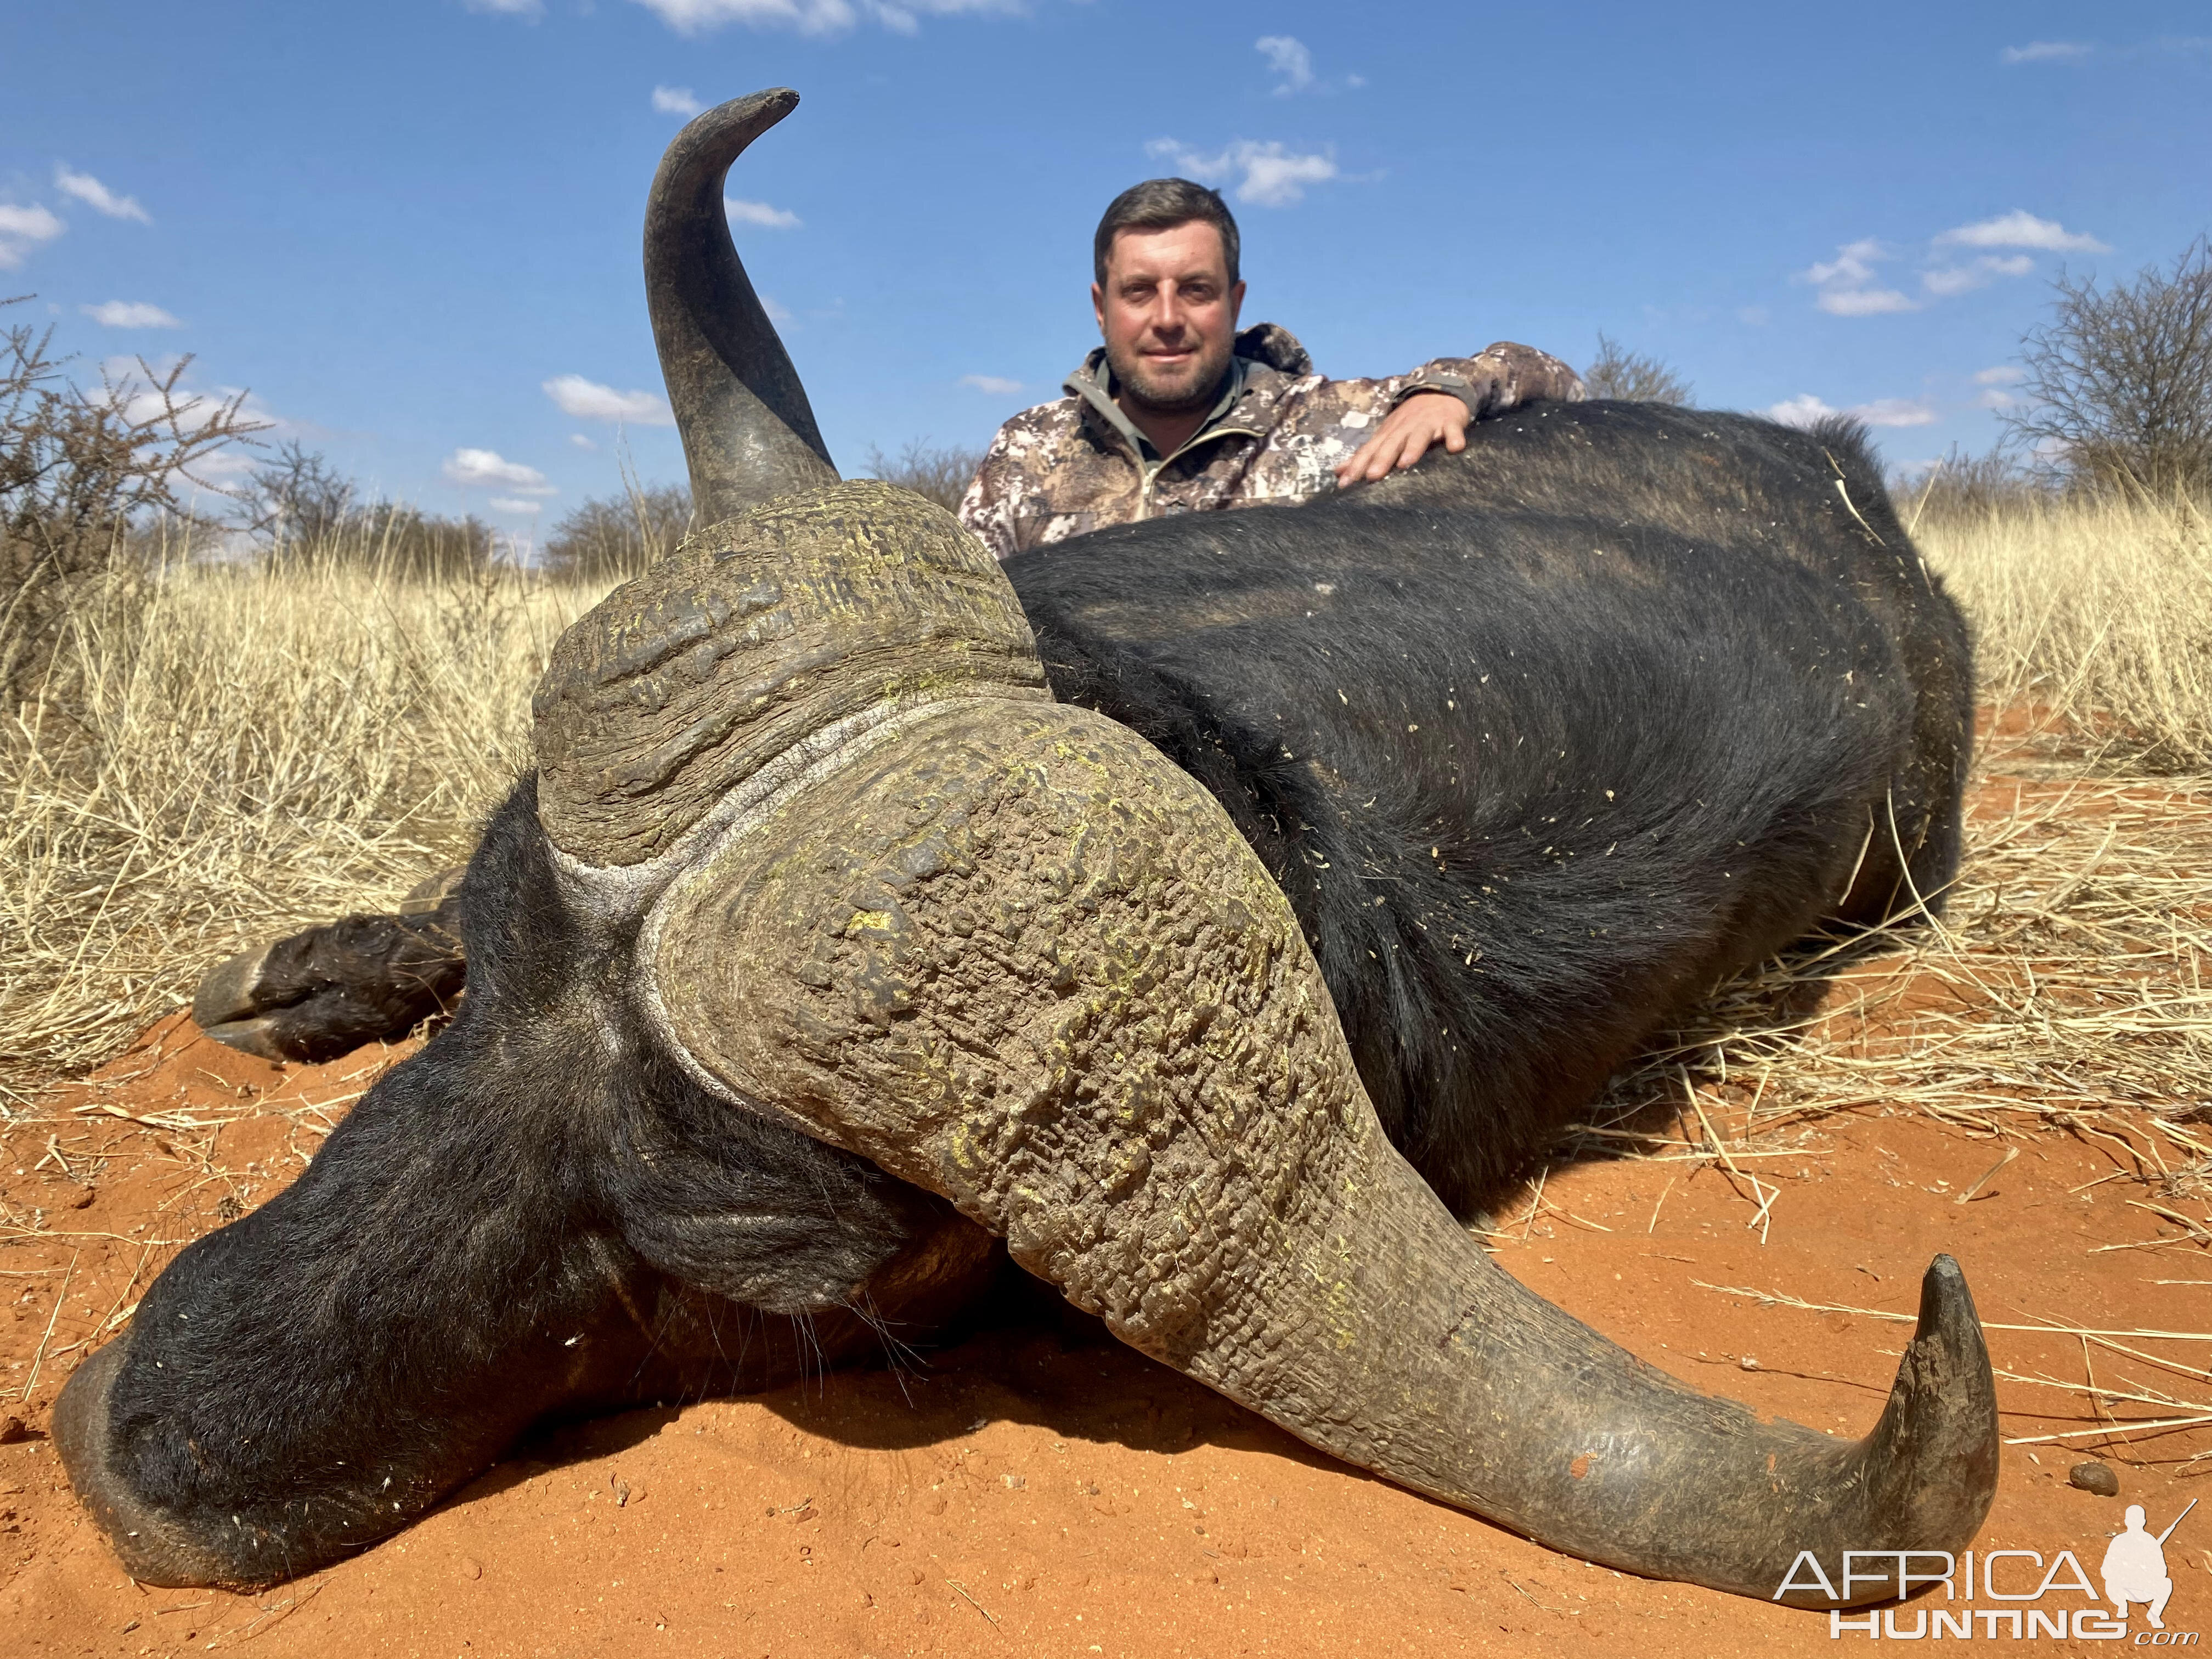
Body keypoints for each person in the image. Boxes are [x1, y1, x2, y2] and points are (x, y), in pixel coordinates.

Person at [957, 177, 1584, 562]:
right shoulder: (1026, 451)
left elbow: (1560, 384)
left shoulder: (1329, 421)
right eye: (1140, 291)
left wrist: (1451, 389)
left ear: (1235, 303)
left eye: (1197, 290)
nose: (1168, 318)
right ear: (1102, 308)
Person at [2102, 1504, 2175, 1629]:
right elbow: (2106, 1570)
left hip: (2143, 1588)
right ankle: (2122, 1606)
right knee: (2112, 1582)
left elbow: (2162, 1571)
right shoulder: (2119, 1541)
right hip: (2121, 1589)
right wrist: (2124, 1569)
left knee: (2166, 1583)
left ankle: (2154, 1615)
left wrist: (2144, 1569)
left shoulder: (2151, 1542)